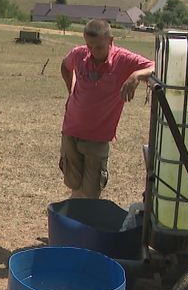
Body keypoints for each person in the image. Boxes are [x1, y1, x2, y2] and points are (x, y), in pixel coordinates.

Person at [59, 19, 155, 199]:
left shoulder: (124, 59)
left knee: (90, 192)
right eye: (90, 46)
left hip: (97, 138)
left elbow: (156, 66)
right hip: (71, 131)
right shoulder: (79, 54)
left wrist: (136, 75)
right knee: (74, 184)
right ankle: (75, 223)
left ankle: (71, 221)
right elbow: (65, 66)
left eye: (99, 47)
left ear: (110, 41)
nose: (94, 52)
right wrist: (70, 89)